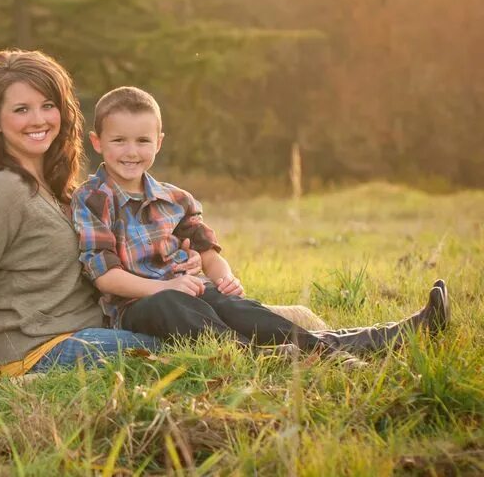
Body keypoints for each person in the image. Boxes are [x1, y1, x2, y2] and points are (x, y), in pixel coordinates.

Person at [74, 86, 450, 356]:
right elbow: (105, 276)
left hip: (196, 292)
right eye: (119, 140)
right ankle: (260, 356)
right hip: (142, 307)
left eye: (142, 141)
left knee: (240, 308)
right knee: (171, 304)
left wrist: (223, 276)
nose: (131, 151)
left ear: (159, 142)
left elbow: (207, 253)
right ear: (97, 142)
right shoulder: (92, 199)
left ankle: (383, 337)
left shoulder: (176, 199)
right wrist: (166, 286)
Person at [0, 51, 177, 388]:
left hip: (80, 332)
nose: (39, 120)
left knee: (196, 317)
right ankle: (264, 345)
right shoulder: (1, 190)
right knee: (181, 346)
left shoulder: (58, 188)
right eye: (21, 109)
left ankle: (267, 334)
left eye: (48, 105)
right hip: (33, 350)